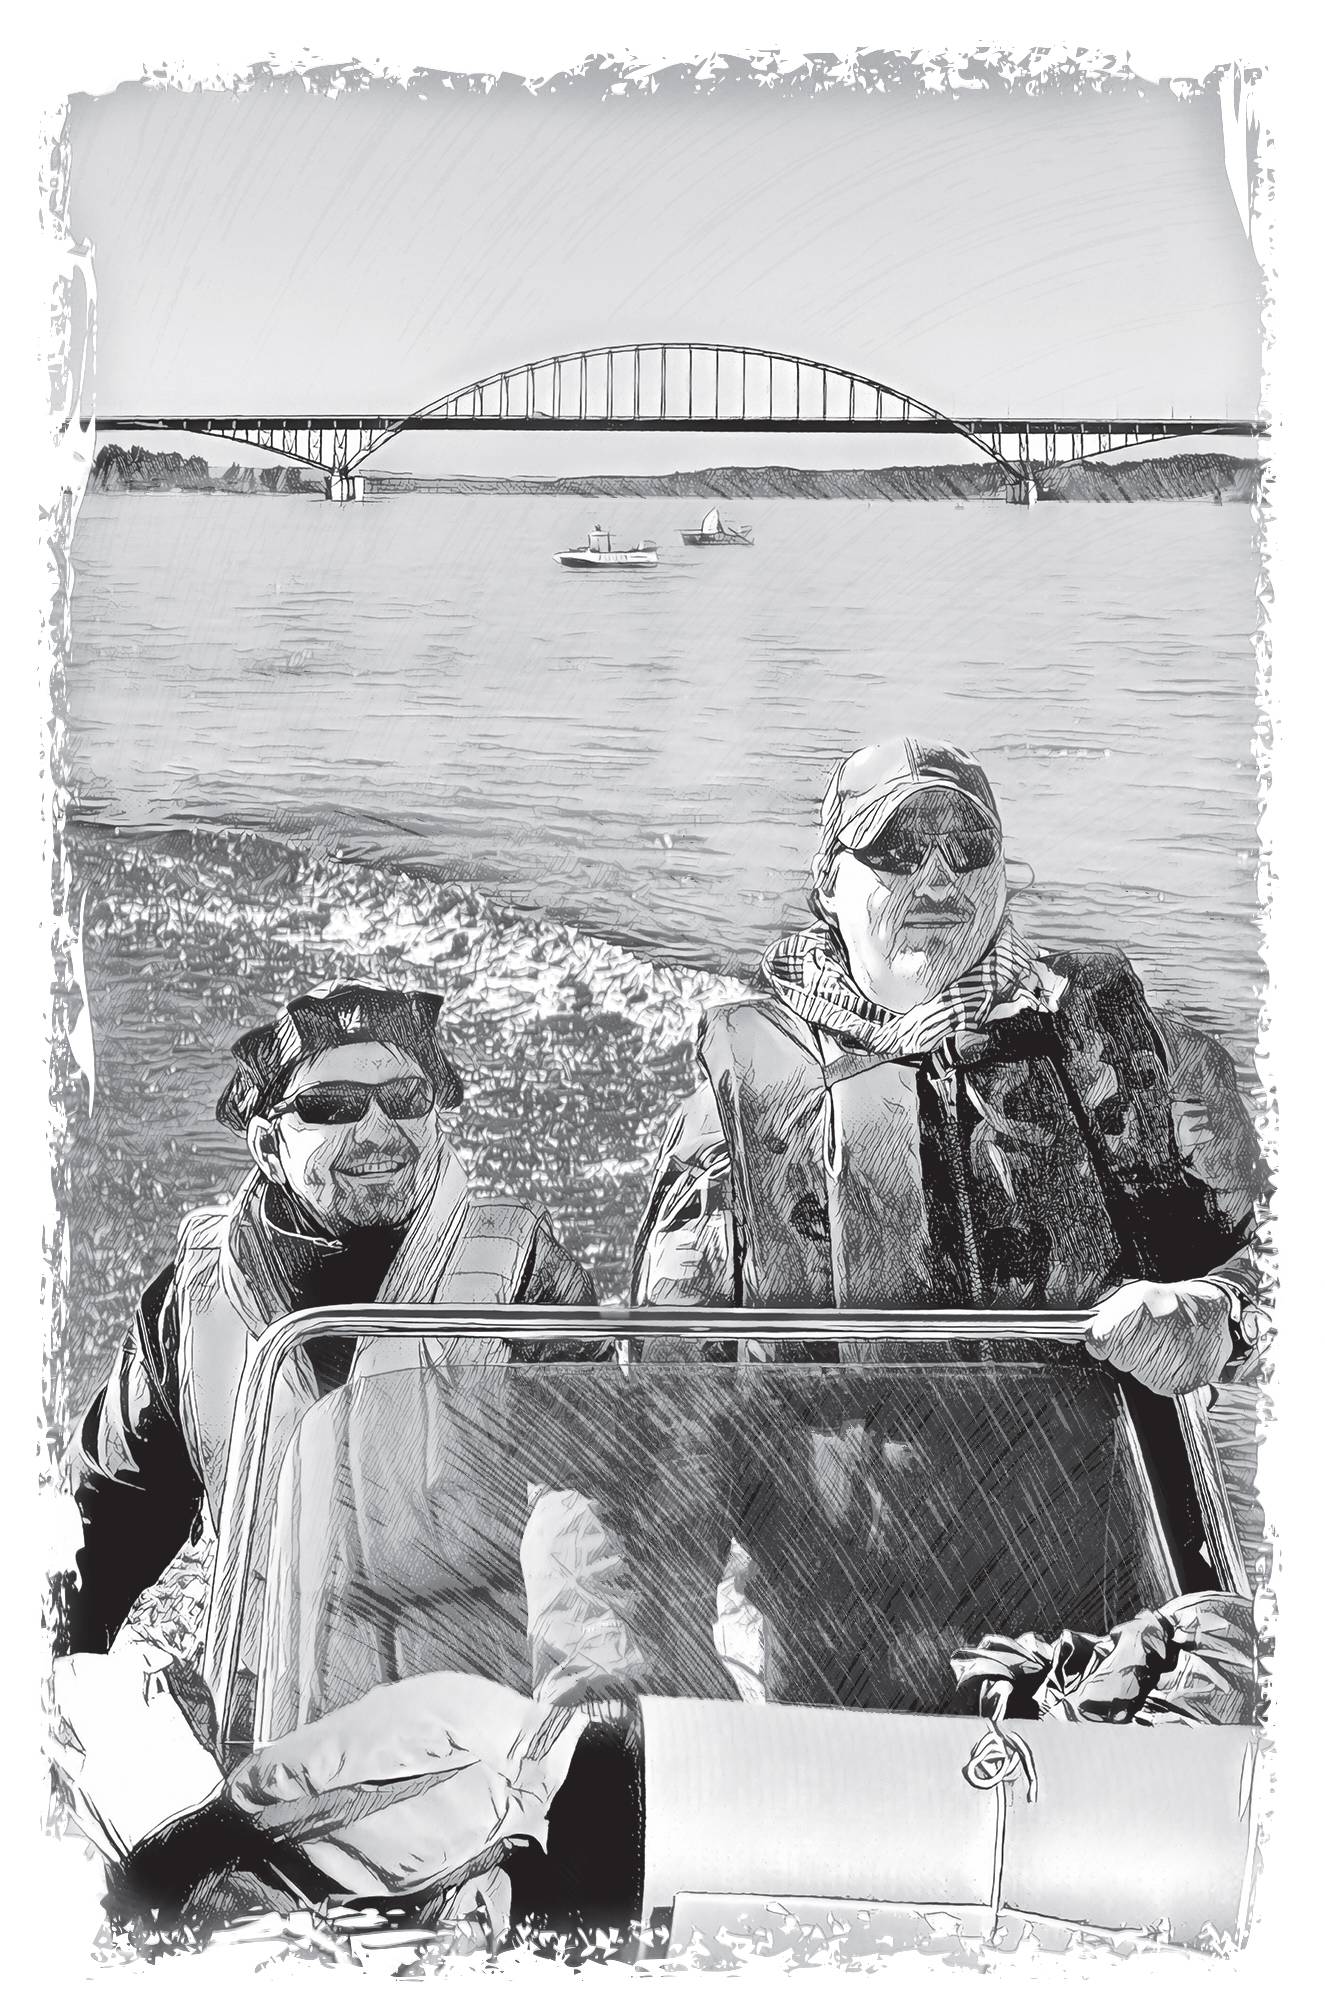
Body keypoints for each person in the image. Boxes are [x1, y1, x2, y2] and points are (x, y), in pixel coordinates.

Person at [634, 736, 1266, 1393]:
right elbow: (667, 1384)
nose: (938, 881)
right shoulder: (729, 1114)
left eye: (967, 848)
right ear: (827, 883)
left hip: (1096, 1462)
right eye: (898, 849)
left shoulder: (1142, 1055)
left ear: (1000, 873)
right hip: (829, 1464)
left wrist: (1222, 1315)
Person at [61, 980, 600, 1659]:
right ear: (267, 1147)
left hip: (468, 1711)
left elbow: (601, 1499)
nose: (377, 1130)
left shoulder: (519, 1271)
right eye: (332, 1107)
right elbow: (96, 1533)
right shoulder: (193, 1305)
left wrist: (584, 1691)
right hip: (264, 1713)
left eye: (405, 1099)